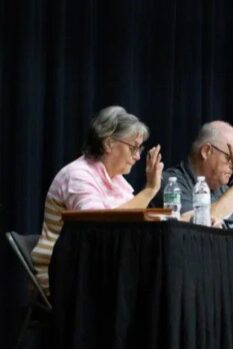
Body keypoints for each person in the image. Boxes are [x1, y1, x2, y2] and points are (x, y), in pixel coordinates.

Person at [31, 106, 163, 292]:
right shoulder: (78, 175)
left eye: (139, 148)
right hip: (67, 276)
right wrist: (149, 190)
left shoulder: (116, 180)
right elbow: (100, 228)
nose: (138, 156)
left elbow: (132, 226)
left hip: (100, 271)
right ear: (108, 143)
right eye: (133, 147)